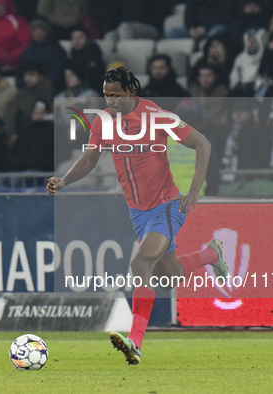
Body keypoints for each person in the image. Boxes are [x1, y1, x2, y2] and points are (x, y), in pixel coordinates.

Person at [46, 67, 228, 365]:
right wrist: (64, 180)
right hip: (138, 212)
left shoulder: (157, 116)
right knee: (168, 278)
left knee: (140, 262)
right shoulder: (103, 121)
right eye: (106, 95)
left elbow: (202, 144)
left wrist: (194, 190)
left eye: (115, 95)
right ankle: (211, 253)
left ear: (130, 91)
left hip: (167, 205)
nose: (110, 101)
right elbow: (90, 158)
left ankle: (136, 342)